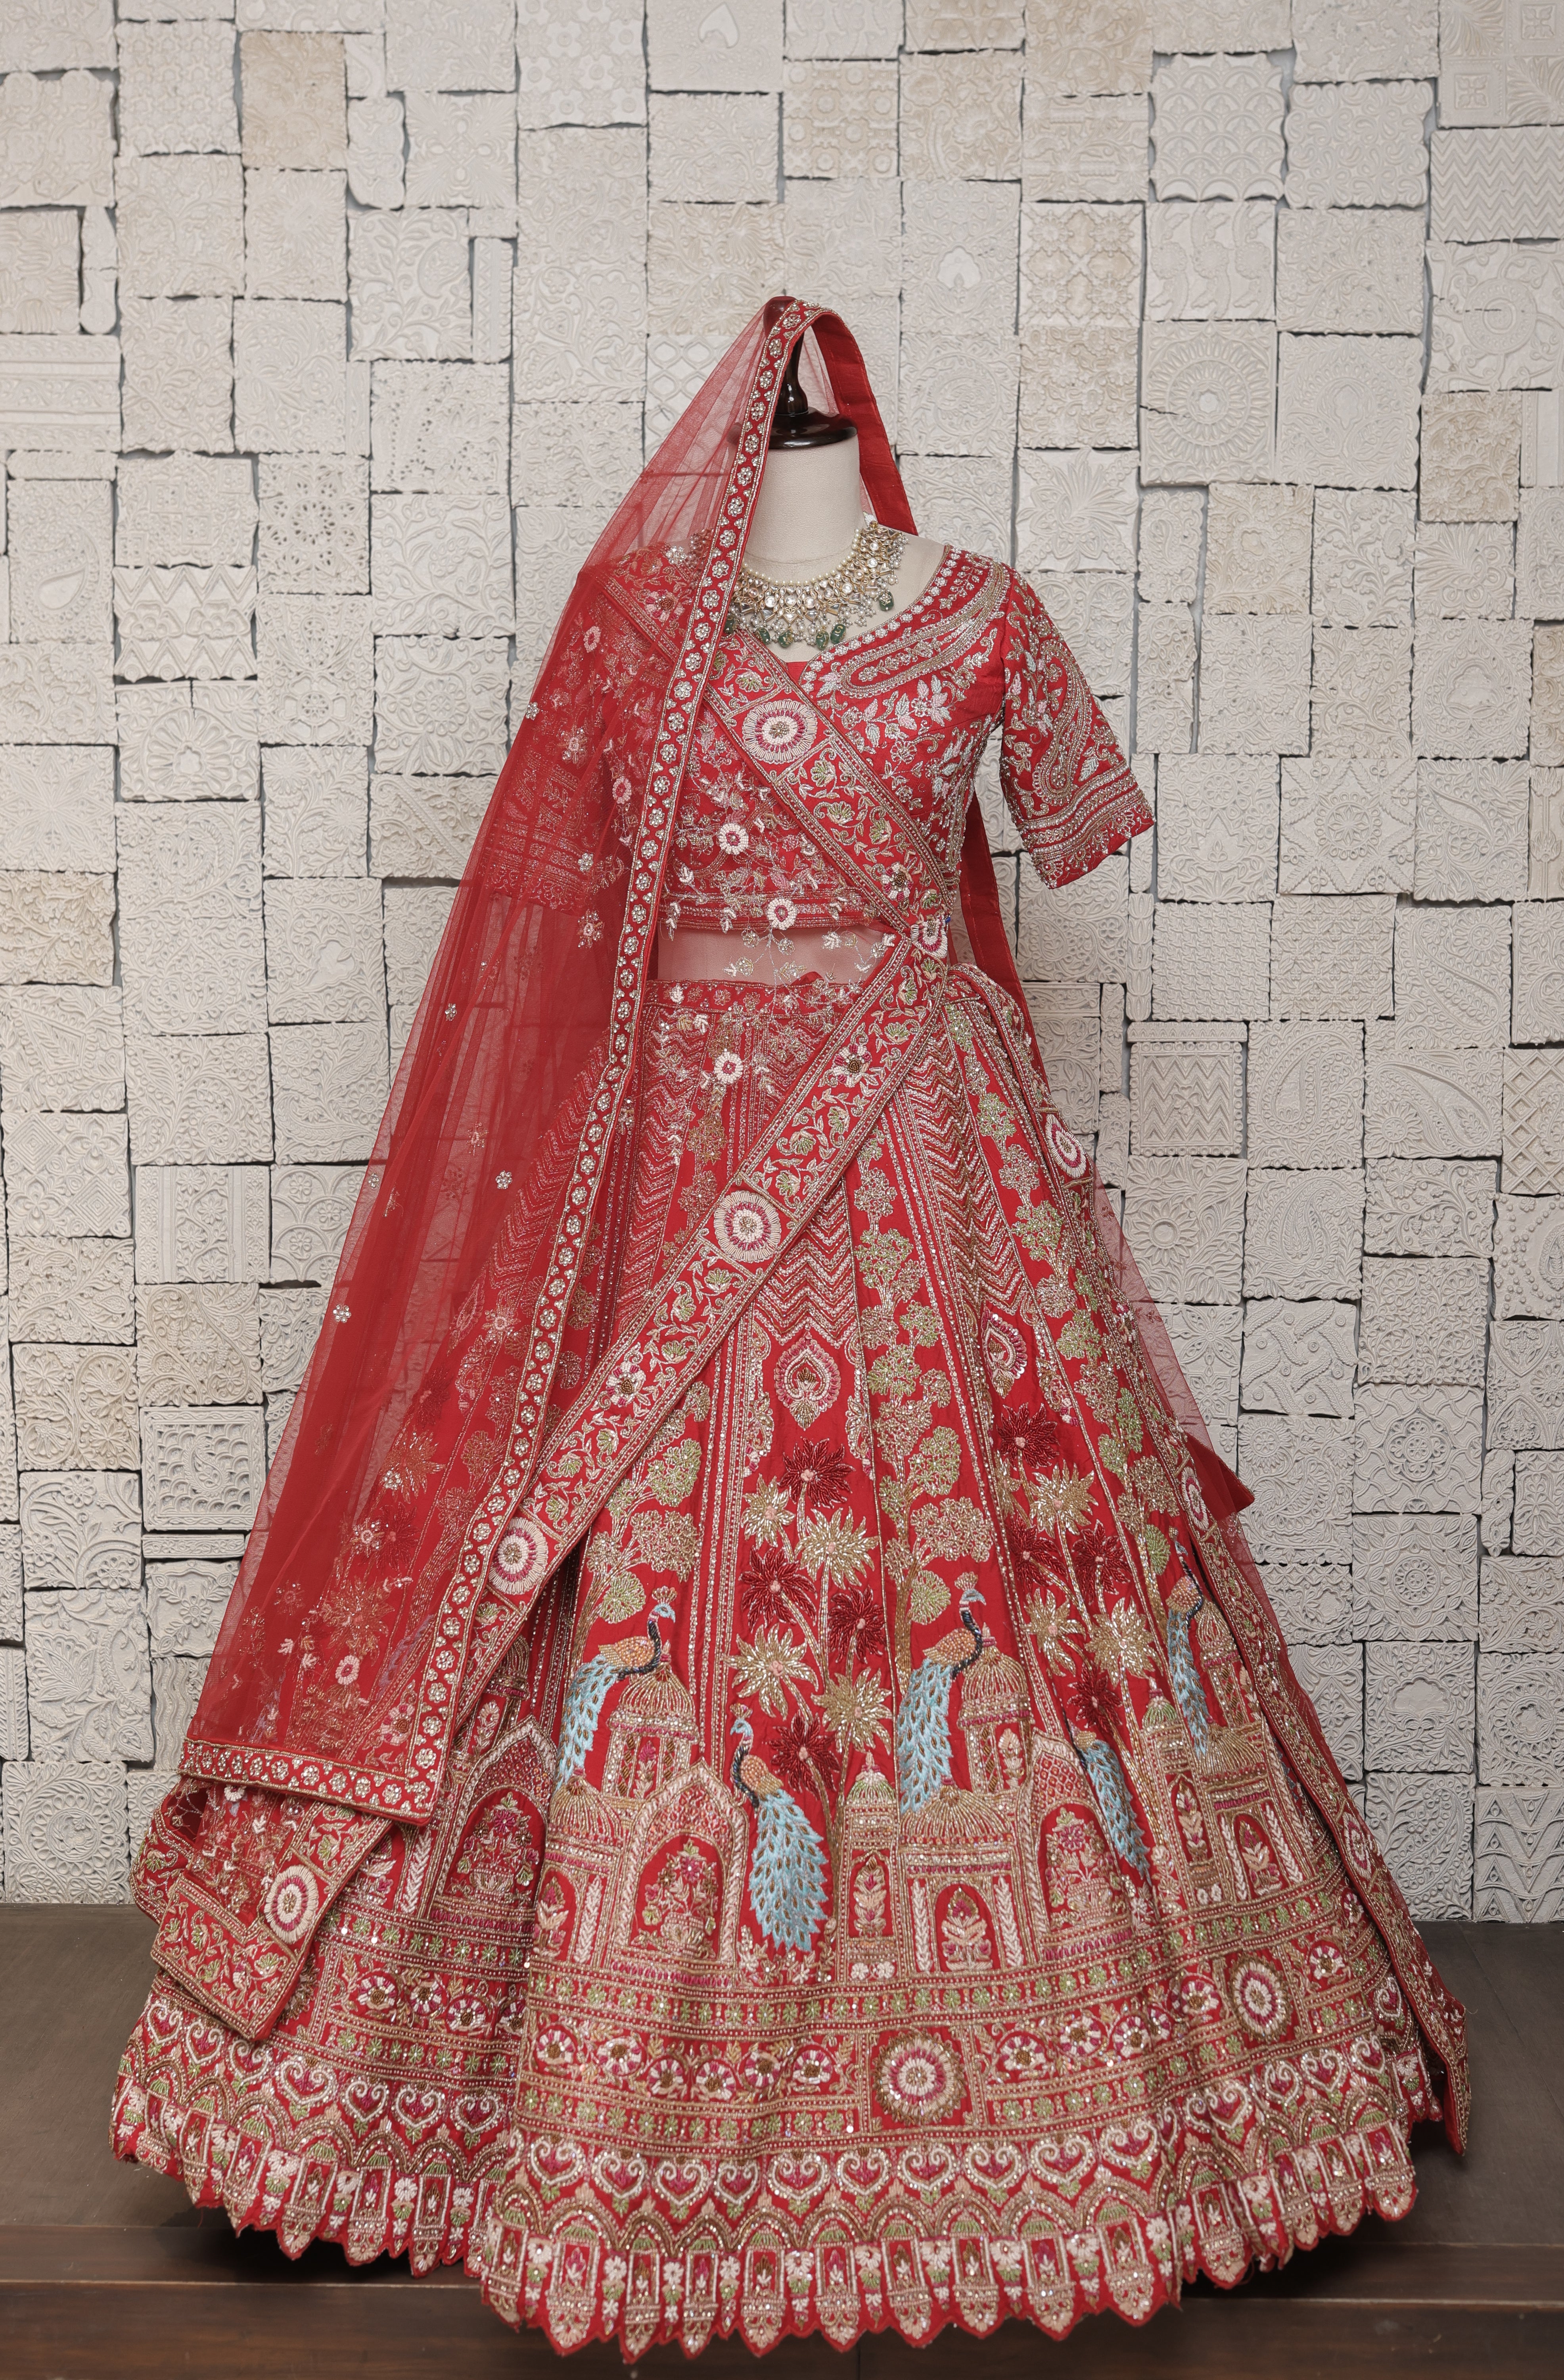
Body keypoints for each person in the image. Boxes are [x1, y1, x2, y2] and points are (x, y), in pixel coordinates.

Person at [113, 299, 1467, 2356]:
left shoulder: (987, 616)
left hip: (937, 1158)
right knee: (628, 1590)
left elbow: (1077, 817)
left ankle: (1100, 2106)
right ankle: (549, 2107)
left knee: (1001, 1561)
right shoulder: (643, 642)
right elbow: (550, 938)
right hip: (674, 1193)